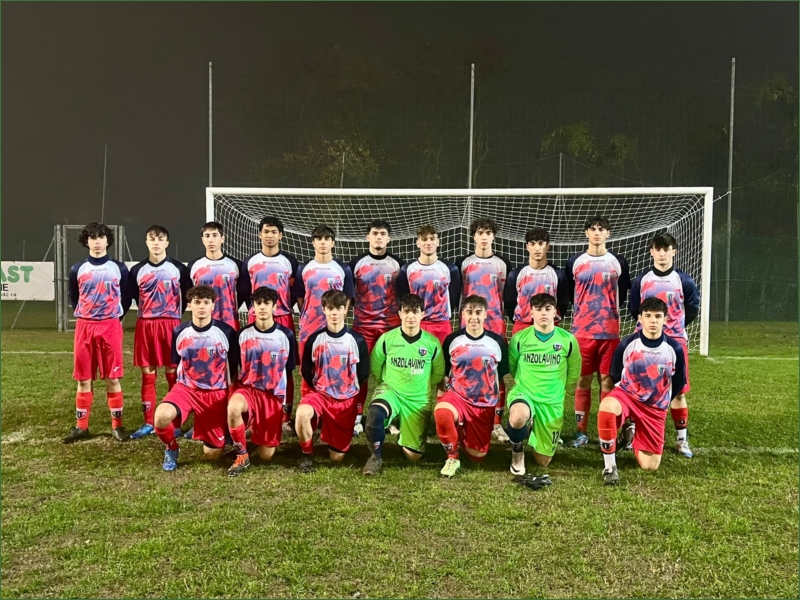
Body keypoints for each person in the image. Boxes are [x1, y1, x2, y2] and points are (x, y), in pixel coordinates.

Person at [596, 297, 686, 485]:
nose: (653, 321)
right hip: (628, 396)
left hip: (654, 407)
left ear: (665, 319)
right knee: (607, 407)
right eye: (648, 316)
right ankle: (610, 467)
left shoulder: (674, 348)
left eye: (658, 316)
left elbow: (678, 383)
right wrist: (629, 394)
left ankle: (631, 433)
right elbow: (615, 375)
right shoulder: (628, 344)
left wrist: (661, 401)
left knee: (649, 466)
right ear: (640, 318)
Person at [152, 285, 239, 471]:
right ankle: (171, 448)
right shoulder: (179, 332)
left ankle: (222, 431)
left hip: (215, 393)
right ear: (189, 305)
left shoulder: (227, 332)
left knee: (212, 456)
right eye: (197, 302)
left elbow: (233, 370)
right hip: (186, 389)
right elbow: (177, 363)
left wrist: (229, 398)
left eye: (206, 302)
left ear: (213, 306)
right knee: (160, 417)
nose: (201, 306)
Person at [628, 232, 700, 457]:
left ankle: (681, 440)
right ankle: (634, 435)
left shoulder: (684, 280)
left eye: (666, 249)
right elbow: (634, 309)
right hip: (644, 343)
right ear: (651, 252)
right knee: (639, 389)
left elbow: (693, 309)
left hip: (675, 341)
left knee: (678, 391)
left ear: (673, 252)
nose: (662, 254)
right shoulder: (642, 280)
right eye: (658, 249)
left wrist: (673, 329)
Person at [62, 222, 132, 444]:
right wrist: (87, 315)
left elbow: (126, 298)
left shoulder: (119, 268)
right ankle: (81, 427)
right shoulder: (77, 269)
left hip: (110, 326)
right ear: (87, 241)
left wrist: (113, 318)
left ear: (107, 241)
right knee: (84, 379)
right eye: (92, 238)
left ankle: (117, 426)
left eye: (101, 237)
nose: (97, 242)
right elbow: (74, 297)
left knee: (112, 377)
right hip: (85, 326)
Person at [361, 293, 445, 475]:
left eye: (415, 311)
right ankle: (375, 456)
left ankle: (403, 430)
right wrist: (387, 384)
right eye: (406, 311)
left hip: (417, 400)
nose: (410, 316)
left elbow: (438, 373)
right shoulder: (387, 339)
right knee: (375, 414)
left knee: (413, 456)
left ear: (422, 314)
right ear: (399, 314)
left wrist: (421, 386)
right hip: (391, 391)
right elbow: (375, 367)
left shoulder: (432, 343)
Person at [565, 216, 630, 447]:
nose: (596, 233)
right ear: (586, 233)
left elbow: (622, 293)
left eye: (601, 229)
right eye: (592, 229)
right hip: (582, 332)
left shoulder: (618, 262)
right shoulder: (575, 261)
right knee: (583, 380)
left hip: (609, 333)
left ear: (608, 233)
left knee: (607, 381)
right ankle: (580, 432)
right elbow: (570, 292)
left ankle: (607, 431)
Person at [505, 293, 581, 476]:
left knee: (543, 461)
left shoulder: (568, 340)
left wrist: (555, 390)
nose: (543, 313)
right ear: (531, 313)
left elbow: (573, 373)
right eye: (538, 309)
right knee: (518, 415)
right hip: (525, 394)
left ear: (555, 312)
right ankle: (517, 451)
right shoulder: (519, 339)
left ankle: (532, 426)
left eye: (548, 309)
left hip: (551, 403)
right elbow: (513, 368)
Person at [127, 225, 191, 440]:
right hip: (146, 325)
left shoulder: (179, 269)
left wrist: (173, 315)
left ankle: (175, 422)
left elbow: (185, 296)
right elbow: (133, 297)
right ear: (146, 242)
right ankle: (148, 423)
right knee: (148, 375)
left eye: (160, 239)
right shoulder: (137, 270)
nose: (156, 243)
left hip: (170, 325)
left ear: (167, 242)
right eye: (152, 239)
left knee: (173, 374)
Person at [434, 295, 509, 477]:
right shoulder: (452, 339)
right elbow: (444, 374)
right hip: (457, 397)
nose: (474, 317)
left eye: (478, 313)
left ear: (485, 315)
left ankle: (461, 430)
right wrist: (441, 399)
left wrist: (496, 409)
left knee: (477, 457)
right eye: (469, 312)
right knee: (442, 413)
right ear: (463, 315)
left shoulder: (498, 342)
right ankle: (452, 457)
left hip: (483, 405)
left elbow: (500, 377)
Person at [226, 286, 297, 477]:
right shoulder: (242, 334)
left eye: (267, 303)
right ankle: (242, 455)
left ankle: (254, 428)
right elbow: (233, 368)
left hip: (271, 396)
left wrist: (284, 404)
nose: (262, 307)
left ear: (274, 307)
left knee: (266, 457)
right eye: (258, 303)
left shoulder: (286, 335)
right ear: (253, 307)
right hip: (247, 390)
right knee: (233, 408)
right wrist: (232, 394)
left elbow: (288, 372)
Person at [295, 290, 369, 473]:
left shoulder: (357, 340)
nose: (334, 313)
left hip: (345, 401)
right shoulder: (314, 339)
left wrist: (346, 390)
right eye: (330, 308)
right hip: (320, 395)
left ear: (345, 310)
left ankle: (333, 433)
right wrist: (319, 388)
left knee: (336, 458)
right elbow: (305, 370)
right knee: (302, 413)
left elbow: (363, 373)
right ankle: (306, 455)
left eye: (338, 308)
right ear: (324, 310)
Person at [239, 216, 299, 435]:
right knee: (252, 367)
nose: (270, 235)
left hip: (283, 317)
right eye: (266, 231)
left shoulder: (290, 262)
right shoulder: (250, 262)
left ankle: (284, 418)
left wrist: (280, 308)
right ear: (260, 234)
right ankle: (252, 416)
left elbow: (294, 293)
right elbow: (245, 292)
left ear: (280, 235)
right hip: (256, 319)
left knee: (285, 369)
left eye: (274, 232)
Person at [349, 219, 403, 436]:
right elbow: (349, 295)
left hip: (390, 327)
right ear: (368, 237)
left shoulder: (397, 264)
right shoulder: (356, 263)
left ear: (388, 238)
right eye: (375, 233)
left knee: (392, 374)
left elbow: (402, 295)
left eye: (382, 234)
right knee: (360, 373)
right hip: (363, 327)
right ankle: (356, 418)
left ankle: (390, 418)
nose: (378, 237)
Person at [293, 225, 355, 399]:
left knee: (333, 368)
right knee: (307, 369)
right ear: (313, 243)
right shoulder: (303, 268)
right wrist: (310, 315)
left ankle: (331, 404)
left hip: (333, 328)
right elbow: (300, 297)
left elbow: (347, 298)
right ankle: (308, 404)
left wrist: (339, 318)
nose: (323, 242)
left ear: (333, 243)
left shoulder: (343, 268)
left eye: (327, 239)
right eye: (319, 239)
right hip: (309, 327)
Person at [396, 225, 461, 346]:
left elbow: (454, 297)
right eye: (424, 239)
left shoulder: (450, 269)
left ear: (438, 242)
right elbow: (403, 297)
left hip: (441, 324)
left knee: (443, 357)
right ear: (418, 243)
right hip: (417, 324)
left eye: (432, 239)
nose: (428, 243)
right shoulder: (407, 269)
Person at [504, 227, 568, 336]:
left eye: (541, 243)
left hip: (549, 326)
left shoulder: (558, 275)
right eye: (532, 244)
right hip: (522, 326)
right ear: (527, 247)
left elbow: (563, 303)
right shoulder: (515, 274)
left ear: (548, 246)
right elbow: (509, 303)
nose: (537, 248)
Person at [187, 221, 246, 331]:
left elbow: (243, 293)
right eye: (207, 236)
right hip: (203, 321)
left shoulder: (235, 265)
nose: (211, 240)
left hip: (230, 320)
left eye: (215, 235)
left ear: (222, 238)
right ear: (202, 240)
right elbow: (189, 294)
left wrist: (230, 307)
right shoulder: (194, 266)